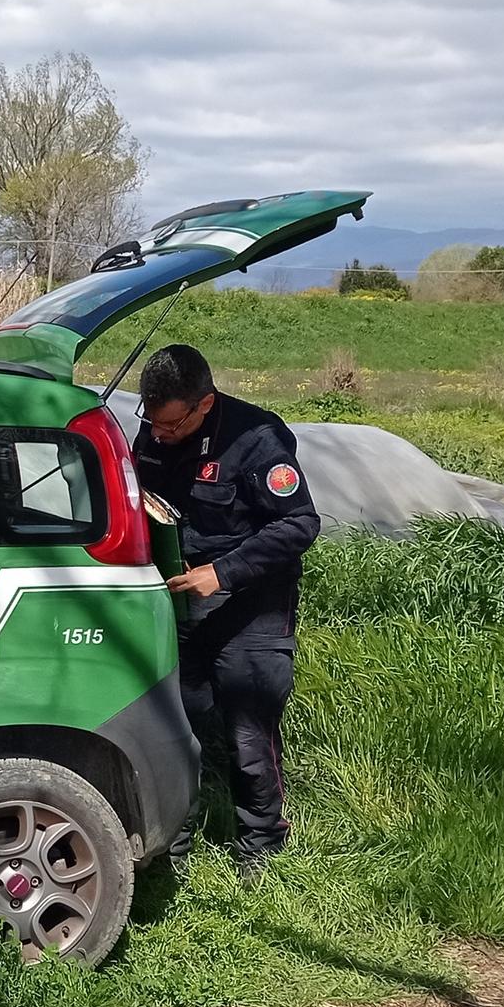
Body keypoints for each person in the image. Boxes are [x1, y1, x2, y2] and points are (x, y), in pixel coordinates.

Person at [128, 344, 320, 883]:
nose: (158, 435)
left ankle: (262, 847)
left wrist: (223, 572)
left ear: (204, 404)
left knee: (248, 731)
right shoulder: (157, 427)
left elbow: (299, 525)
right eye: (152, 423)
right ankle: (173, 844)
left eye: (170, 425)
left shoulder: (259, 441)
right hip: (185, 596)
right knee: (176, 721)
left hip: (251, 603)